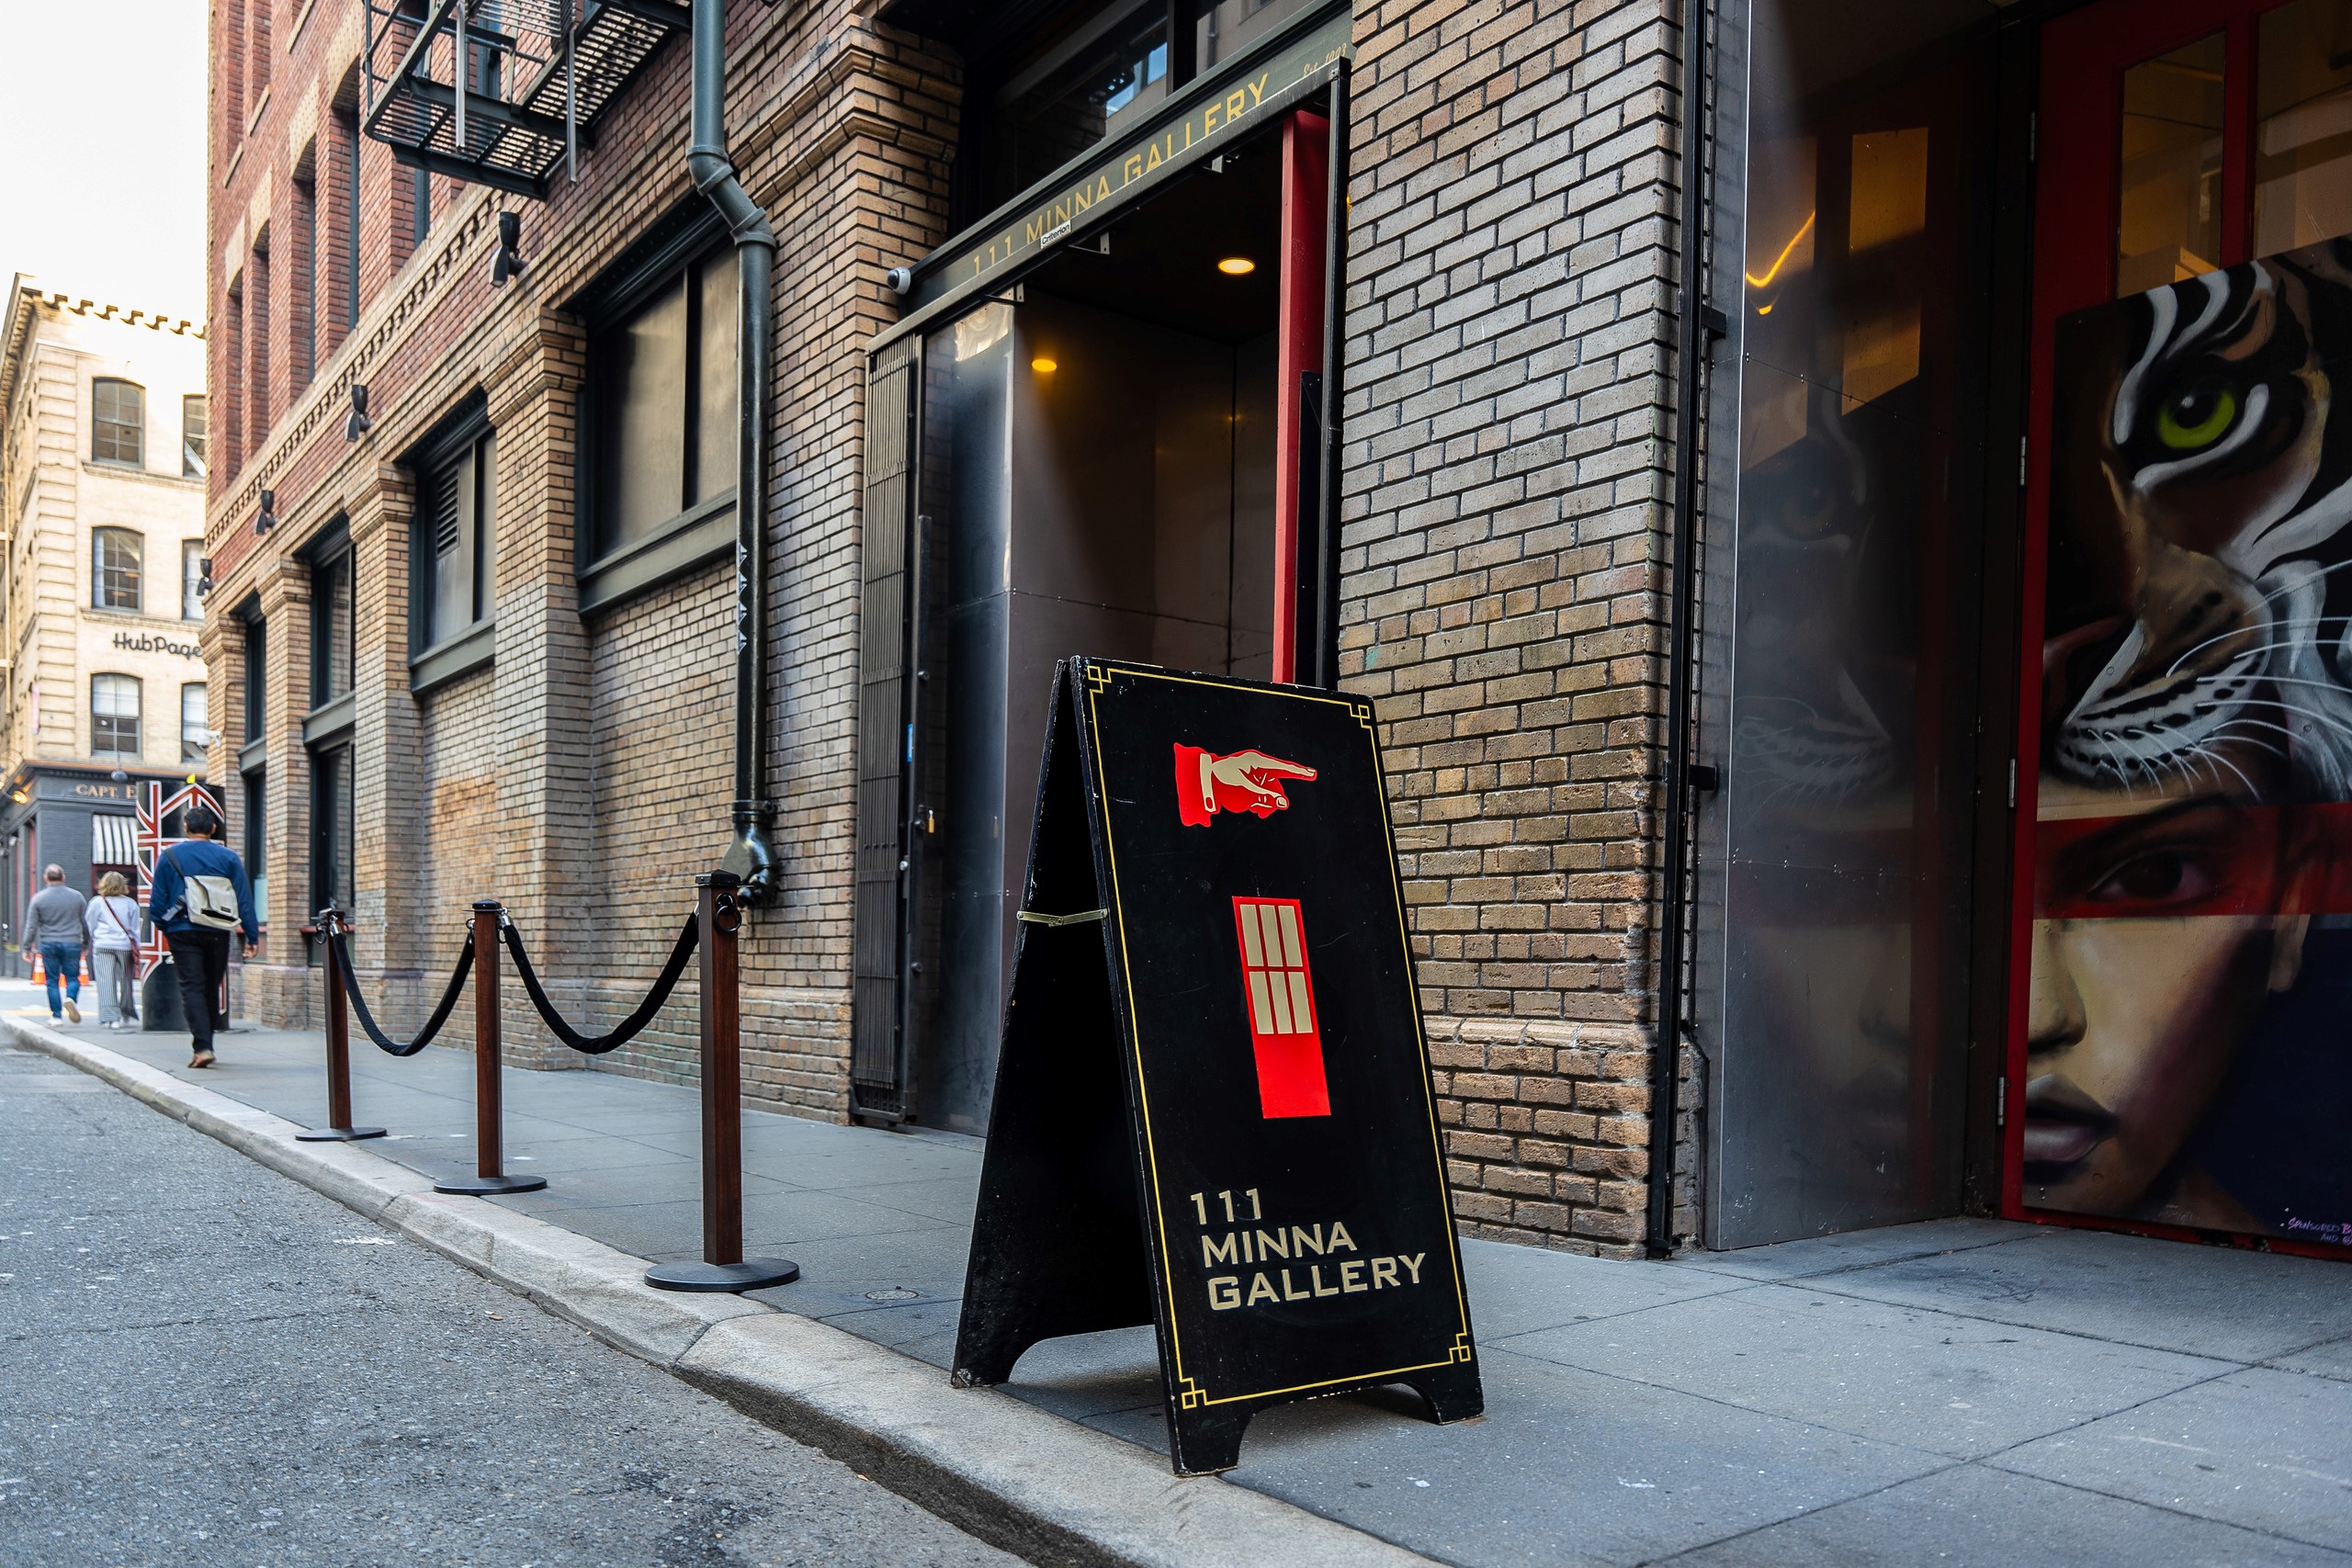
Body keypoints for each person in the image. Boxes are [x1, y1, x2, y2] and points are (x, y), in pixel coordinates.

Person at [146, 804, 259, 1069]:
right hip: (218, 930)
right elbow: (243, 898)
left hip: (182, 930)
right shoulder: (228, 858)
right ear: (213, 828)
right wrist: (252, 937)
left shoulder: (169, 856)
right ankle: (206, 1043)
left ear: (186, 827)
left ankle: (203, 1047)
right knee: (210, 986)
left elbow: (157, 902)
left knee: (192, 987)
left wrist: (165, 927)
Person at [22, 864, 86, 1024]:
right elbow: (84, 922)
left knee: (52, 980)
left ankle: (56, 1016)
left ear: (46, 878)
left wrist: (26, 947)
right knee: (73, 977)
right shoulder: (77, 897)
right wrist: (86, 943)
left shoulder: (38, 898)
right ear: (63, 877)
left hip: (48, 942)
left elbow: (31, 926)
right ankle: (71, 998)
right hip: (72, 942)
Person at [85, 872, 141, 1030]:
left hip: (103, 944)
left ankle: (110, 1017)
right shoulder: (130, 904)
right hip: (124, 945)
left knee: (105, 981)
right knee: (126, 980)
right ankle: (126, 1011)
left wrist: (94, 938)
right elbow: (136, 928)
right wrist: (138, 947)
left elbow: (91, 924)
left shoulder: (97, 902)